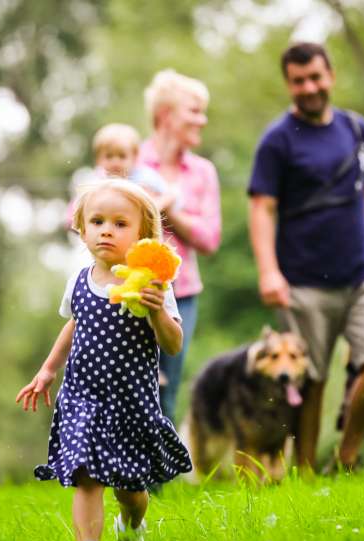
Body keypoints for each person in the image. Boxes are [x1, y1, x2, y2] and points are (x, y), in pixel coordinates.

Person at [247, 41, 364, 473]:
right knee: (310, 381)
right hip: (302, 281)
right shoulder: (276, 140)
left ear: (331, 76)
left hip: (362, 274)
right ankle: (304, 473)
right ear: (288, 84)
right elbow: (261, 208)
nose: (309, 87)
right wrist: (269, 272)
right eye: (298, 80)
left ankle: (347, 454)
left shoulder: (357, 132)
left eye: (316, 77)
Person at [16, 178, 192, 541]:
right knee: (86, 476)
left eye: (119, 223)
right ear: (82, 229)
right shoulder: (79, 281)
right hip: (84, 395)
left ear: (143, 234)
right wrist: (47, 370)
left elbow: (174, 344)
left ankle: (131, 526)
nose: (106, 230)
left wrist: (157, 309)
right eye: (97, 222)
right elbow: (75, 325)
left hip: (130, 402)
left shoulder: (152, 285)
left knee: (130, 490)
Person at [137, 69, 221, 422]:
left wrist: (170, 208)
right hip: (130, 292)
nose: (202, 120)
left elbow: (209, 239)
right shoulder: (130, 160)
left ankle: (155, 477)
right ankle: (115, 474)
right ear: (165, 116)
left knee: (165, 389)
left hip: (181, 295)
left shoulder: (203, 172)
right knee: (128, 386)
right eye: (194, 111)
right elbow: (79, 215)